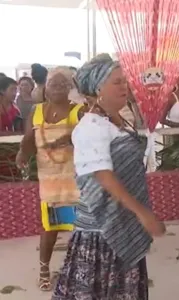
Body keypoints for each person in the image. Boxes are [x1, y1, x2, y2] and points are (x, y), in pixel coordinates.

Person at [51, 54, 165, 299]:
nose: (124, 86)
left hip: (121, 223)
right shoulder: (92, 127)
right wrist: (142, 212)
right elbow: (104, 176)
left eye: (125, 81)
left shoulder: (118, 121)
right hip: (102, 230)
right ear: (97, 89)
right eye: (116, 82)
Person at [16, 67, 84, 292]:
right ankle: (44, 270)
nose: (58, 88)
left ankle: (80, 269)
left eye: (63, 84)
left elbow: (90, 138)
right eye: (53, 84)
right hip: (49, 180)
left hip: (76, 180)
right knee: (49, 227)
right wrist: (23, 154)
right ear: (46, 89)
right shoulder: (36, 112)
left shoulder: (79, 111)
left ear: (69, 89)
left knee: (80, 227)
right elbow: (28, 139)